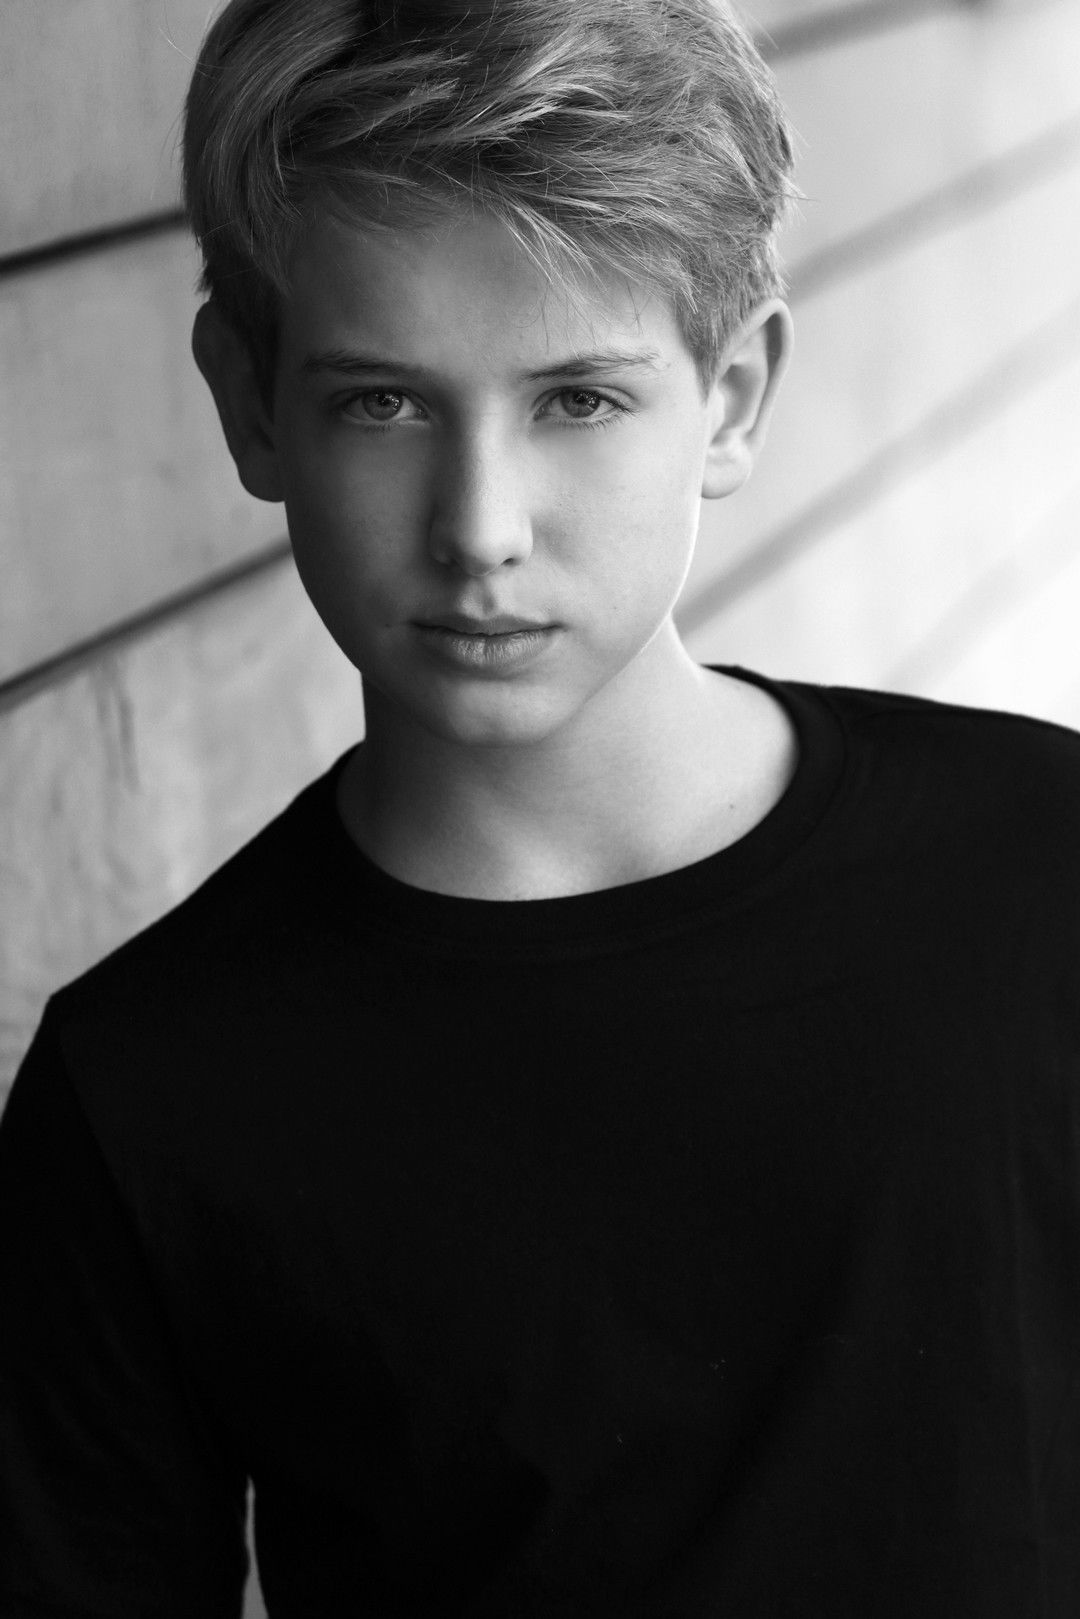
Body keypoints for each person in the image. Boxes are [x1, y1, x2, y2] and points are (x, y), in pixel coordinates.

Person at [2, 0, 1078, 1611]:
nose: (482, 528)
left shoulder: (1040, 871)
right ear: (250, 402)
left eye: (577, 400)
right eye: (382, 402)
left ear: (731, 396)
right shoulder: (148, 1091)